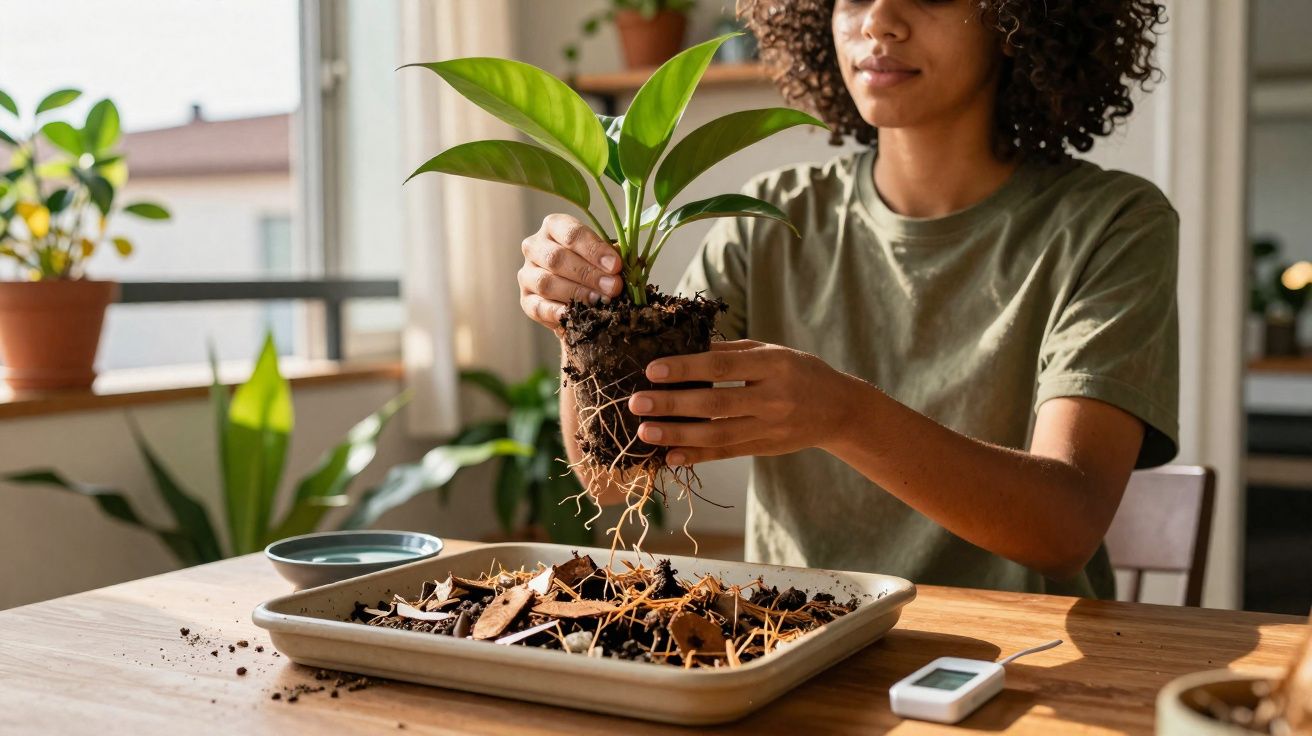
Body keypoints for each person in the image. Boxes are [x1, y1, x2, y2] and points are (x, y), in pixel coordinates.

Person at [516, 0, 1175, 598]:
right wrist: (586, 318)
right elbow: (612, 479)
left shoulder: (1109, 224)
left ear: (1015, 19)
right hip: (799, 637)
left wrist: (845, 416)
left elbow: (1065, 529)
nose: (879, 19)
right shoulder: (768, 221)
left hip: (1024, 656)